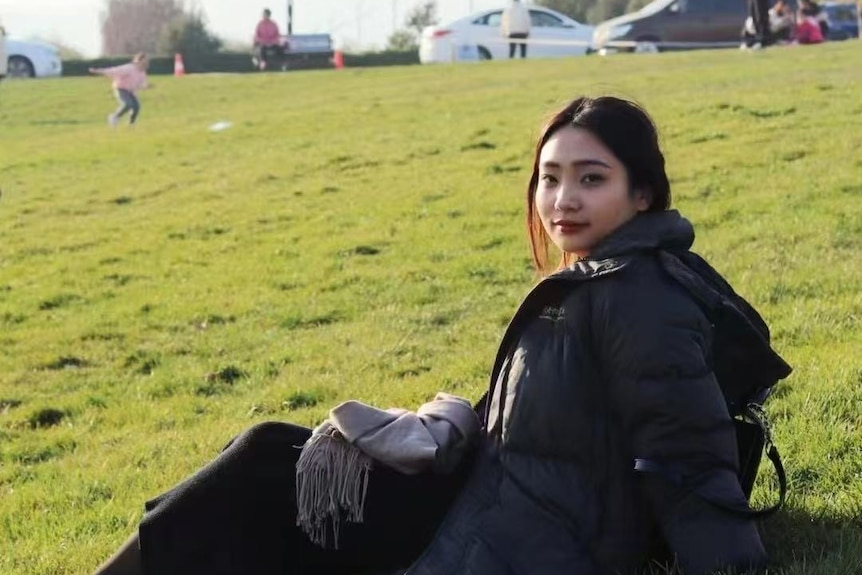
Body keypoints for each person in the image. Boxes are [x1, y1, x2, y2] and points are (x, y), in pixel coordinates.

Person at [91, 96, 785, 575]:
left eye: (591, 179)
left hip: (521, 539)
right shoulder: (601, 276)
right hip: (490, 497)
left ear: (642, 194)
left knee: (263, 467)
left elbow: (688, 449)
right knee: (273, 458)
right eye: (549, 179)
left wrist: (728, 561)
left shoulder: (640, 295)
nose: (562, 200)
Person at [89, 53, 149, 128]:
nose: (145, 64)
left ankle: (131, 124)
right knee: (128, 104)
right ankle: (114, 117)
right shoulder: (129, 68)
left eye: (146, 62)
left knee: (136, 106)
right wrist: (97, 71)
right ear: (138, 61)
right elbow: (114, 71)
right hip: (121, 88)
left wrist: (146, 86)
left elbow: (141, 83)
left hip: (130, 91)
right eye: (143, 62)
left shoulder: (142, 72)